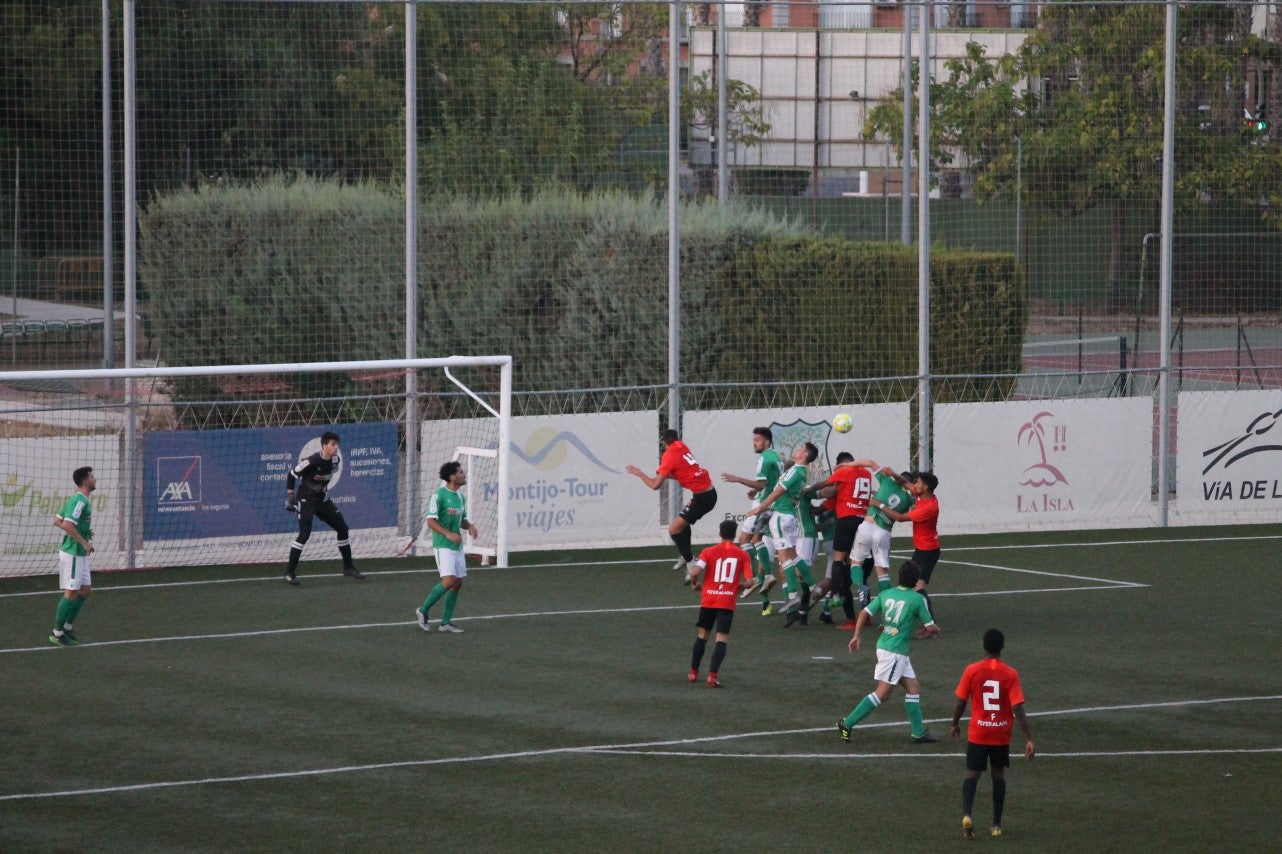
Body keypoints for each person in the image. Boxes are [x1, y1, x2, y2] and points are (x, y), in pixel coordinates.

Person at [837, 559, 941, 744]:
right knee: (883, 694)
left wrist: (857, 636)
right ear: (916, 581)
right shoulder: (918, 599)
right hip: (895, 652)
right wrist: (935, 631)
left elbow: (864, 613)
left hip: (885, 646)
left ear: (899, 577)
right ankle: (847, 722)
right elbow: (930, 626)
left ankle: (918, 733)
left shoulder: (886, 594)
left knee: (913, 688)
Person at [951, 628, 1036, 839]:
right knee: (998, 776)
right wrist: (1028, 739)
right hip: (1000, 734)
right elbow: (1018, 710)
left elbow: (961, 701)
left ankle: (967, 814)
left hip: (978, 732)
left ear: (984, 646)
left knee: (972, 775)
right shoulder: (1010, 673)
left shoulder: (972, 670)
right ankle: (996, 825)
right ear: (1002, 647)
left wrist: (954, 723)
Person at [626, 429, 718, 577]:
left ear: (663, 442)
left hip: (703, 498)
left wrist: (639, 473)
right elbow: (684, 473)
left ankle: (691, 562)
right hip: (707, 492)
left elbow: (655, 485)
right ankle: (685, 554)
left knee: (673, 530)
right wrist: (666, 474)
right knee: (683, 524)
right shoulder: (682, 446)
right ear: (676, 438)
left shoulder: (668, 455)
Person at [746, 442, 818, 627]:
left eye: (801, 449)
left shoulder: (796, 470)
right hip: (787, 516)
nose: (798, 450)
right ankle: (811, 587)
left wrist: (760, 507)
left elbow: (778, 491)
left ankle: (793, 596)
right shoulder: (799, 471)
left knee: (784, 557)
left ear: (805, 455)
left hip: (781, 516)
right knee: (792, 555)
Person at [404, 461, 479, 634]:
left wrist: (470, 526)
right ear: (452, 477)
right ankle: (423, 610)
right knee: (449, 581)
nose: (463, 474)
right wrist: (447, 534)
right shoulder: (439, 495)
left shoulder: (460, 497)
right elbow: (430, 521)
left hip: (456, 546)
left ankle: (445, 623)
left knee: (457, 583)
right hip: (443, 545)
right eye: (460, 472)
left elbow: (462, 520)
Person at [805, 452, 876, 629]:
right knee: (861, 577)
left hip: (847, 521)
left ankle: (839, 599)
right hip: (865, 524)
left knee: (841, 568)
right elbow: (826, 501)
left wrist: (808, 490)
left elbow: (825, 485)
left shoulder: (844, 473)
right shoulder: (866, 474)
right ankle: (866, 616)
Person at [284, 430, 364, 585]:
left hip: (321, 500)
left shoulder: (335, 461)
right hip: (305, 499)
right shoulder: (312, 460)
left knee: (343, 528)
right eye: (333, 444)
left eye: (337, 445)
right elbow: (291, 474)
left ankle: (348, 567)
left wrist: (320, 489)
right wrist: (290, 497)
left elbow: (323, 480)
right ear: (324, 446)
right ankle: (289, 573)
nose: (336, 448)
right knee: (304, 534)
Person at [721, 426, 783, 616]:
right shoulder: (776, 456)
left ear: (766, 441)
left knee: (743, 540)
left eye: (757, 440)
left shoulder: (763, 458)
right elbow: (773, 482)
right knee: (756, 539)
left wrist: (737, 479)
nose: (754, 443)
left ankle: (759, 578)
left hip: (763, 504)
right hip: (772, 503)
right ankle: (767, 577)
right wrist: (757, 491)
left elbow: (762, 483)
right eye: (753, 440)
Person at [686, 519, 754, 687]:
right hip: (726, 601)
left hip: (709, 599)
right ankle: (712, 676)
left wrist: (696, 585)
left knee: (702, 635)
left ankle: (693, 673)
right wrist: (736, 587)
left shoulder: (708, 551)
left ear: (720, 533)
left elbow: (694, 572)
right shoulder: (743, 554)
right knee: (721, 639)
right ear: (735, 535)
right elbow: (750, 582)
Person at [870, 470, 940, 614]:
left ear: (926, 487)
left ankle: (930, 623)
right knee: (913, 584)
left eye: (919, 482)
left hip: (928, 551)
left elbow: (900, 517)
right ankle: (923, 620)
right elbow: (904, 482)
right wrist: (892, 473)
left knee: (918, 586)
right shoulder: (923, 495)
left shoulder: (928, 508)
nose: (916, 484)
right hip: (922, 548)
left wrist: (879, 505)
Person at [50, 466, 95, 646]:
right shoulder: (80, 501)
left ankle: (67, 627)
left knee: (86, 590)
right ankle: (57, 632)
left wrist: (83, 534)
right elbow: (67, 525)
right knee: (70, 593)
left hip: (79, 553)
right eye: (92, 477)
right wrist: (84, 542)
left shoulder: (77, 498)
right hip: (74, 553)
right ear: (85, 481)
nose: (95, 479)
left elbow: (57, 520)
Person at [852, 467, 914, 597]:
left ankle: (860, 587)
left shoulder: (887, 482)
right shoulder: (910, 500)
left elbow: (870, 463)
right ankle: (886, 604)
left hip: (869, 525)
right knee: (882, 571)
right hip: (884, 531)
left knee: (856, 562)